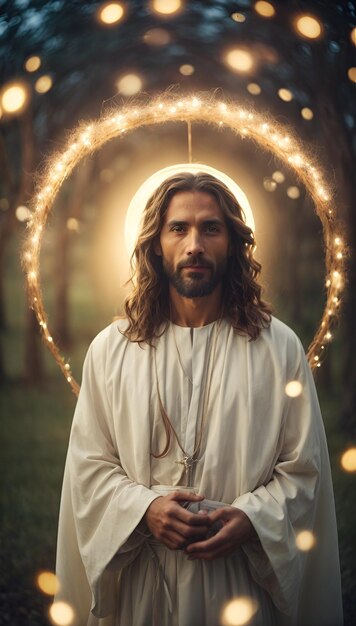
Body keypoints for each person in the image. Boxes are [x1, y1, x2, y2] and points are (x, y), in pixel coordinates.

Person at [55, 171, 343, 626]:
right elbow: (88, 468)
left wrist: (252, 519)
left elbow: (304, 471)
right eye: (178, 228)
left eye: (211, 228)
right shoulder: (110, 351)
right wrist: (144, 509)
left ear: (233, 242)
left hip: (239, 586)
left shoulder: (277, 348)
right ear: (155, 243)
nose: (195, 245)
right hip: (143, 591)